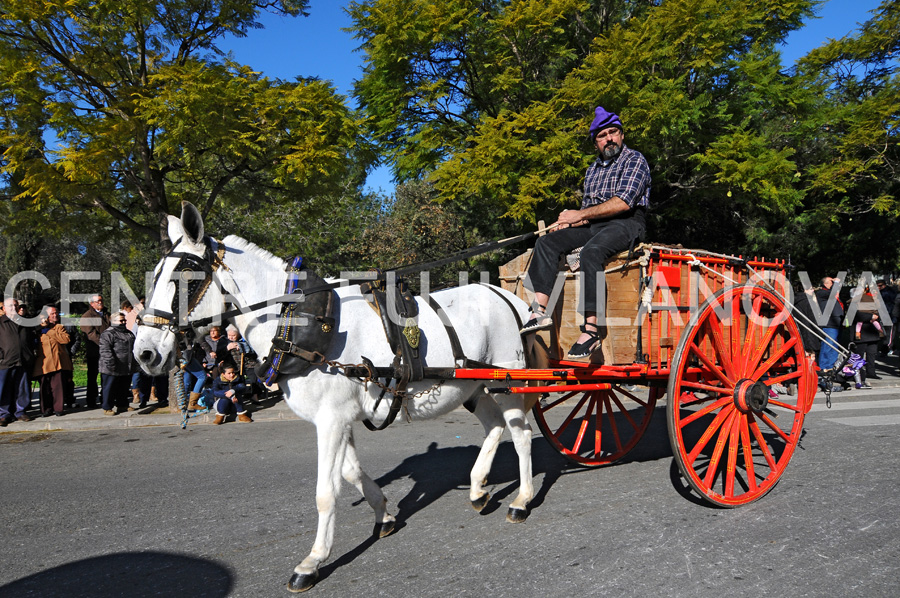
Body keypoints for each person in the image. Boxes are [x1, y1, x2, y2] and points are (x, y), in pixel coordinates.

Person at [521, 106, 651, 358]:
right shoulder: (592, 171)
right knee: (548, 242)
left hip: (627, 222)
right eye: (602, 136)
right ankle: (538, 312)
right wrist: (570, 223)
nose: (609, 138)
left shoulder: (635, 160)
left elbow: (623, 202)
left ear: (622, 135)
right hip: (595, 225)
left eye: (613, 132)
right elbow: (589, 211)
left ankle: (591, 330)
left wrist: (579, 215)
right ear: (596, 144)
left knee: (592, 252)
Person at [0, 298, 36, 426]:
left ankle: (20, 411)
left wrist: (30, 355)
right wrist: (1, 356)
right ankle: (4, 414)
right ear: (4, 308)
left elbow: (31, 340)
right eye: (10, 306)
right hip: (5, 362)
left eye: (15, 305)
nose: (13, 308)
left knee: (22, 388)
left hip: (23, 361)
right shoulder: (1, 322)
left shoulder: (25, 322)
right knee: (4, 389)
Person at [33, 306, 73, 417]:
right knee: (44, 387)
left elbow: (65, 339)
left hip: (57, 362)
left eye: (56, 313)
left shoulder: (59, 327)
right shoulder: (37, 329)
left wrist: (49, 331)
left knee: (57, 386)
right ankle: (46, 409)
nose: (55, 315)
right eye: (52, 314)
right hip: (43, 362)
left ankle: (58, 408)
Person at [98, 310, 135, 415]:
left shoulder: (128, 333)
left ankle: (122, 405)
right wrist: (111, 364)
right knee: (109, 388)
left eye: (124, 320)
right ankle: (107, 407)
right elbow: (105, 350)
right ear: (113, 321)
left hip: (126, 366)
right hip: (111, 367)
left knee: (123, 387)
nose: (124, 322)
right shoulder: (108, 334)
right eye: (121, 321)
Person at [80, 294, 110, 409]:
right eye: (97, 301)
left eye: (101, 300)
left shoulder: (107, 314)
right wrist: (106, 344)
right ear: (91, 304)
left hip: (107, 352)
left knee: (106, 376)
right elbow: (91, 335)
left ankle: (105, 398)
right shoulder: (87, 317)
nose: (100, 302)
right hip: (95, 351)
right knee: (92, 377)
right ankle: (91, 400)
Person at [814, 276, 844, 372]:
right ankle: (824, 367)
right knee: (827, 345)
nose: (833, 283)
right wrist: (836, 283)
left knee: (834, 347)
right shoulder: (821, 293)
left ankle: (831, 366)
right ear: (825, 284)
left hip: (835, 323)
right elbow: (832, 294)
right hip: (828, 323)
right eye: (831, 282)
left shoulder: (831, 294)